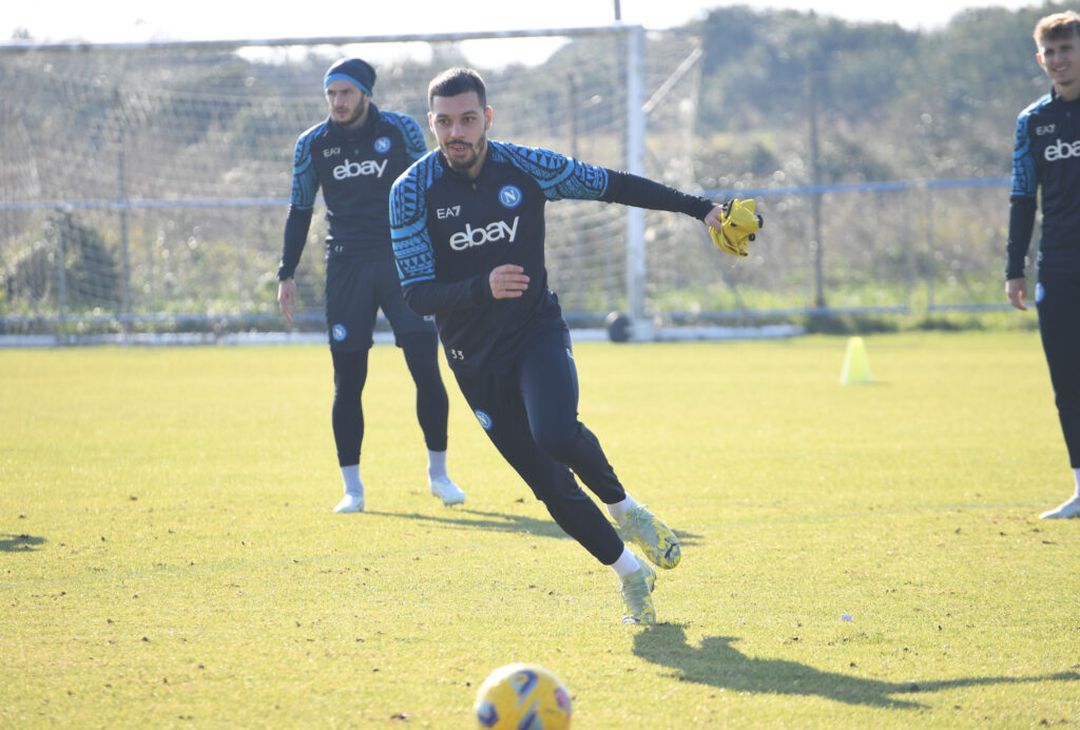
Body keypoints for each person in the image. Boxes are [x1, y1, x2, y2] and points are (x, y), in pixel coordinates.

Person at [389, 68, 739, 624]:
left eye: (467, 119)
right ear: (431, 122)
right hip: (472, 359)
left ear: (488, 118)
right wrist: (481, 287)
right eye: (444, 121)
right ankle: (630, 573)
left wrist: (700, 208)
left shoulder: (526, 166)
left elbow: (612, 184)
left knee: (554, 431)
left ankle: (627, 509)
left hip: (535, 331)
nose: (456, 132)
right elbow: (416, 295)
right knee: (548, 484)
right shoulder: (409, 192)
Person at [277, 58, 465, 513]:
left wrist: (448, 254)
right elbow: (300, 209)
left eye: (346, 93)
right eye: (331, 94)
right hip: (346, 269)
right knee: (348, 381)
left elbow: (432, 188)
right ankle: (353, 489)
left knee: (426, 369)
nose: (338, 102)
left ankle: (439, 475)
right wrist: (286, 273)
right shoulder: (313, 144)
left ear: (365, 94)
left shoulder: (400, 130)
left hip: (405, 265)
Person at [1006, 11, 1080, 520]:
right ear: (1040, 59)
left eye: (1067, 48)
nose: (1058, 59)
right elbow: (1020, 197)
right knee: (1067, 383)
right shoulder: (1032, 122)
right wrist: (1015, 268)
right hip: (1057, 265)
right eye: (1049, 52)